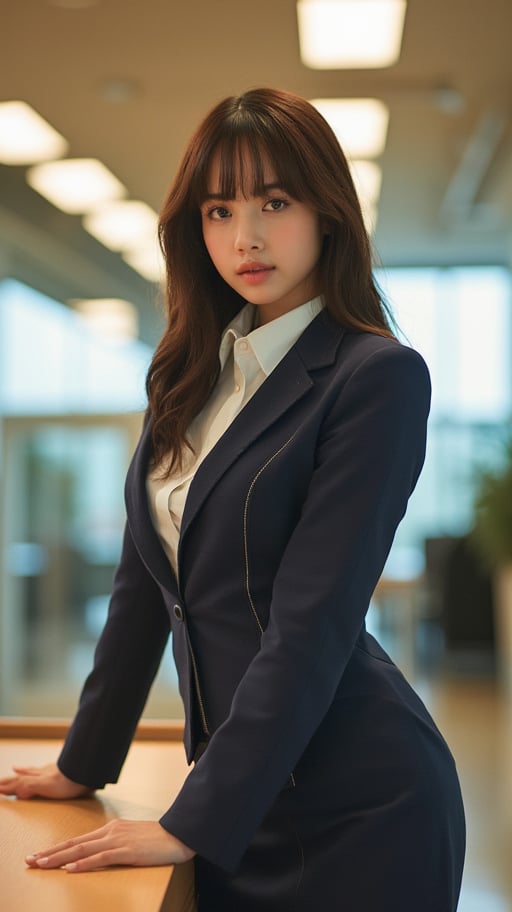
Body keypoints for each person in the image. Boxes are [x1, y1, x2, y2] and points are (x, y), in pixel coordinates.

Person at [0, 87, 465, 910]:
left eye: (274, 203)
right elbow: (141, 593)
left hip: (356, 809)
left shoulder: (375, 377)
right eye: (218, 210)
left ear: (328, 212)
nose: (244, 237)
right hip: (232, 800)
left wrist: (195, 820)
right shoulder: (186, 378)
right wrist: (83, 763)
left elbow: (313, 621)